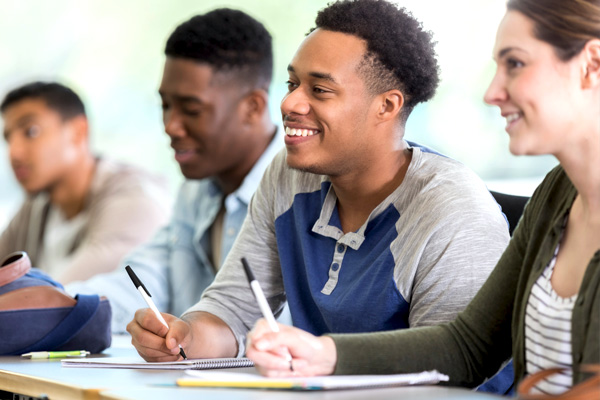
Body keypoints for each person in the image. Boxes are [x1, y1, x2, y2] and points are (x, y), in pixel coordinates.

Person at [128, 0, 512, 393]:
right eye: (293, 84)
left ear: (387, 105)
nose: (289, 103)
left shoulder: (453, 211)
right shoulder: (289, 177)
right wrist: (184, 337)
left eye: (320, 90)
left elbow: (450, 371)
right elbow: (231, 312)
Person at [246, 0, 600, 396]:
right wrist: (323, 353)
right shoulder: (556, 195)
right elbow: (468, 347)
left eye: (515, 64)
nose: (492, 93)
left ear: (591, 65)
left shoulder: (453, 203)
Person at [66, 8, 283, 333]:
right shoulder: (197, 190)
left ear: (253, 107)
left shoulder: (300, 194)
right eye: (165, 105)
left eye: (191, 110)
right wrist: (53, 303)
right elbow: (143, 280)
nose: (170, 126)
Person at [0, 82, 170, 284]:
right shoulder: (36, 208)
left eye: (30, 132)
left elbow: (58, 299)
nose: (14, 152)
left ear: (78, 132)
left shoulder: (134, 200)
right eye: (8, 139)